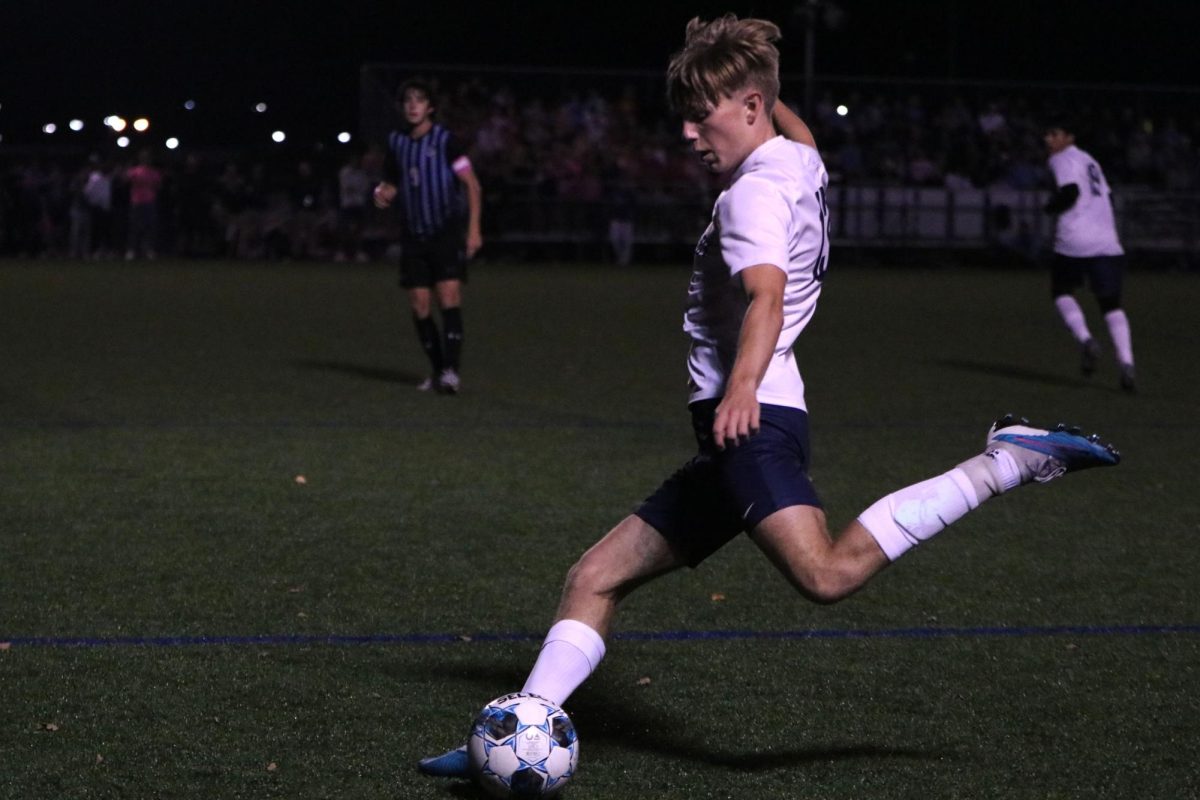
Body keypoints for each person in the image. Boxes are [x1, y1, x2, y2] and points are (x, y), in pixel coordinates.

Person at [417, 15, 1121, 780]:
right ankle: (517, 727)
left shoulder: (751, 197)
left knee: (824, 574)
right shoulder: (800, 161)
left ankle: (1007, 461)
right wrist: (749, 55)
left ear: (749, 106)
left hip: (750, 424)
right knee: (594, 577)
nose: (690, 134)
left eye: (703, 115)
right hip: (742, 429)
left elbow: (767, 297)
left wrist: (740, 388)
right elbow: (800, 125)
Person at [373, 78, 483, 394]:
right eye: (408, 100)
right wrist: (382, 194)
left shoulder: (446, 141)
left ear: (430, 107)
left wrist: (474, 229)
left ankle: (451, 372)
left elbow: (472, 185)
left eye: (419, 100)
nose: (412, 105)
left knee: (448, 297)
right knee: (420, 303)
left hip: (444, 232)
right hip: (413, 235)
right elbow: (392, 183)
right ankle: (437, 371)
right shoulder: (396, 142)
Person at [1043, 118, 1137, 392]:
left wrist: (1050, 208)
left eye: (1054, 132)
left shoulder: (1061, 159)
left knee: (1061, 290)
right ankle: (1127, 364)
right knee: (1111, 305)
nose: (1049, 139)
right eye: (1047, 134)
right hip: (1107, 241)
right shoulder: (1089, 160)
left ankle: (1086, 340)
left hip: (1074, 238)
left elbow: (1070, 191)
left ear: (1069, 137)